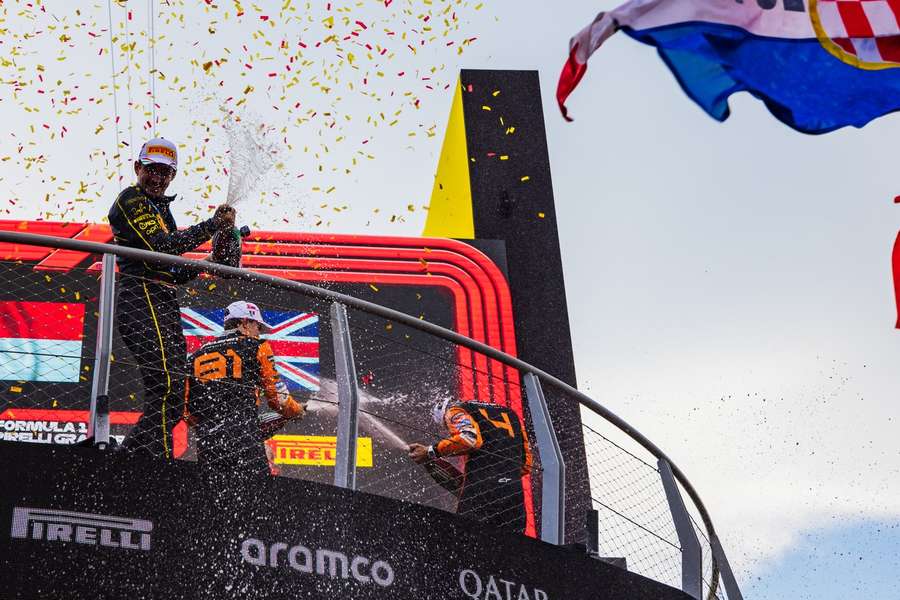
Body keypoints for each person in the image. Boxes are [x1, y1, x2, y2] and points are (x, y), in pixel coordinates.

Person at [108, 137, 236, 458]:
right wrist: (212, 225)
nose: (158, 178)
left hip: (163, 303)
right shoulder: (130, 200)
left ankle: (124, 464)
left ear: (172, 177)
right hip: (141, 300)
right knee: (166, 390)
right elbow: (161, 247)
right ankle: (160, 472)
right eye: (152, 170)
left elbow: (173, 272)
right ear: (138, 168)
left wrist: (209, 263)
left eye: (166, 173)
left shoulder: (163, 212)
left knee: (174, 397)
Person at [184, 300, 304, 477]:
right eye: (258, 326)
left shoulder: (195, 356)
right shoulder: (257, 347)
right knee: (255, 494)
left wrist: (209, 425)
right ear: (245, 323)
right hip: (244, 437)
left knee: (213, 497)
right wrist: (296, 411)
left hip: (208, 442)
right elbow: (278, 399)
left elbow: (185, 409)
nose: (259, 332)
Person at [408, 399, 533, 534]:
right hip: (513, 492)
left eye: (447, 426)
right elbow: (526, 464)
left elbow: (469, 439)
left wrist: (431, 451)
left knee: (466, 543)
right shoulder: (510, 414)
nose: (450, 432)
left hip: (480, 490)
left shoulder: (454, 410)